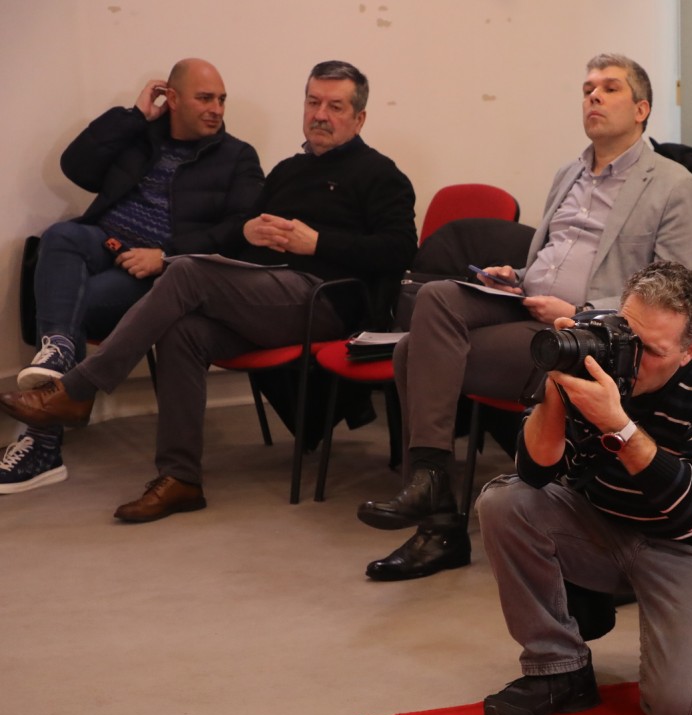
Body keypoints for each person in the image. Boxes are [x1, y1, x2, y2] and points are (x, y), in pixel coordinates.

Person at [0, 61, 417, 521]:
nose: (320, 114)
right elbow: (239, 230)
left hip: (324, 301)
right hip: (266, 294)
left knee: (184, 272)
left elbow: (400, 249)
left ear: (358, 119)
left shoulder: (381, 174)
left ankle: (77, 389)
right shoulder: (287, 171)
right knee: (184, 330)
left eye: (335, 106)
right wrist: (251, 231)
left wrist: (317, 242)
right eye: (313, 102)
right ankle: (181, 478)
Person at [357, 54, 692, 582]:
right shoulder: (569, 171)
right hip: (527, 303)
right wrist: (519, 276)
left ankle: (439, 522)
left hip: (588, 333)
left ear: (641, 109)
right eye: (587, 87)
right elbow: (558, 255)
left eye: (608, 88)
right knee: (435, 295)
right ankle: (432, 483)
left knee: (412, 353)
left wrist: (580, 311)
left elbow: (676, 297)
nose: (592, 96)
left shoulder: (676, 185)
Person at [476, 260, 692, 715]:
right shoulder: (595, 343)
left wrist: (619, 426)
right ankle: (559, 669)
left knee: (683, 712)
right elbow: (534, 471)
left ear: (689, 352)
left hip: (686, 547)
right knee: (505, 503)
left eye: (652, 350)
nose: (631, 356)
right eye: (627, 333)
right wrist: (556, 386)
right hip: (599, 521)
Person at [1, 59, 263, 495]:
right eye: (204, 98)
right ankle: (62, 354)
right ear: (172, 98)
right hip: (104, 242)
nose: (216, 108)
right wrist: (134, 116)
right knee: (62, 234)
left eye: (221, 99)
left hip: (157, 274)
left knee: (70, 303)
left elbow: (241, 228)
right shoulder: (141, 136)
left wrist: (166, 255)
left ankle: (41, 445)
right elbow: (77, 167)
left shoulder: (237, 155)